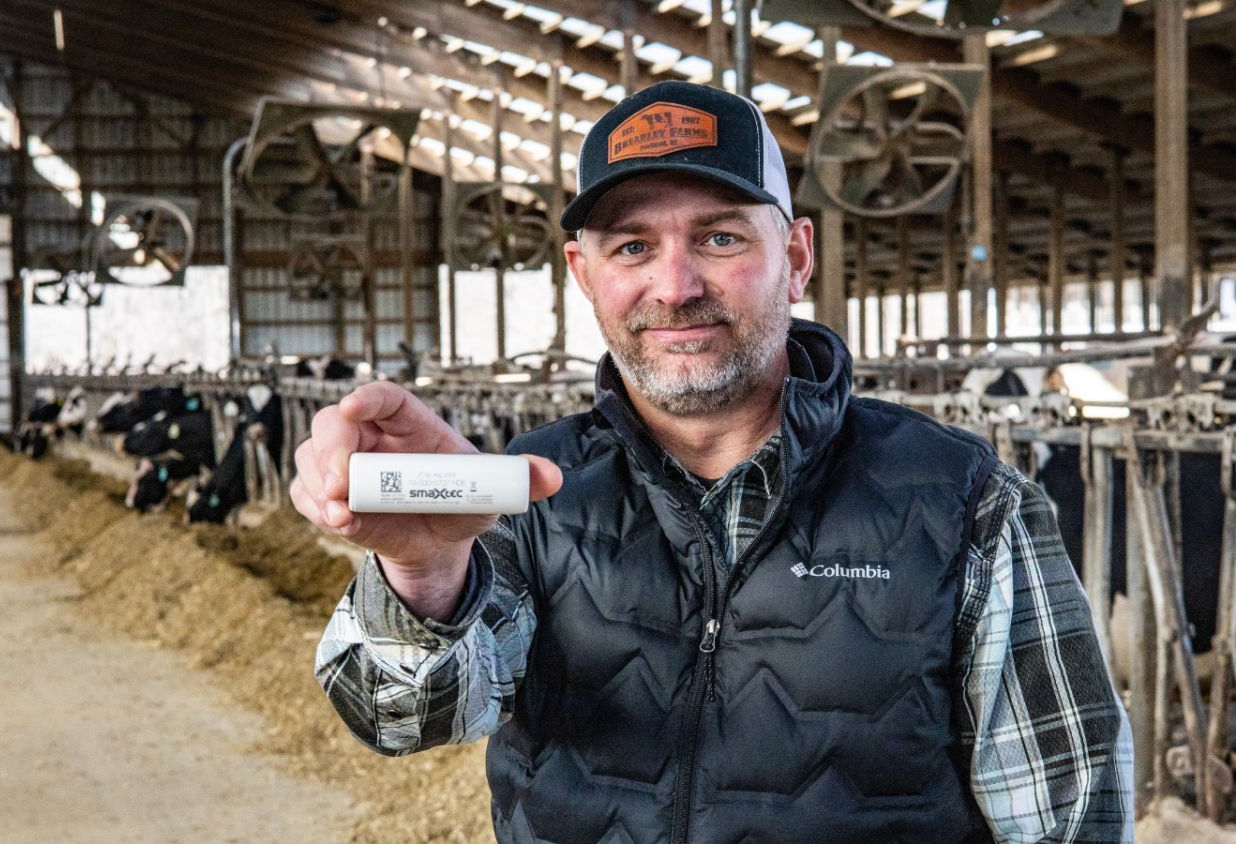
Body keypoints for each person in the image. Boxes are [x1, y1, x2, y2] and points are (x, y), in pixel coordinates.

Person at [294, 81, 1130, 844]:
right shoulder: (526, 490)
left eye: (720, 236)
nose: (677, 283)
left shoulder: (964, 501)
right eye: (631, 248)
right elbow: (399, 718)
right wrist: (423, 569)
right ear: (583, 275)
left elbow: (1072, 817)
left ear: (797, 258)